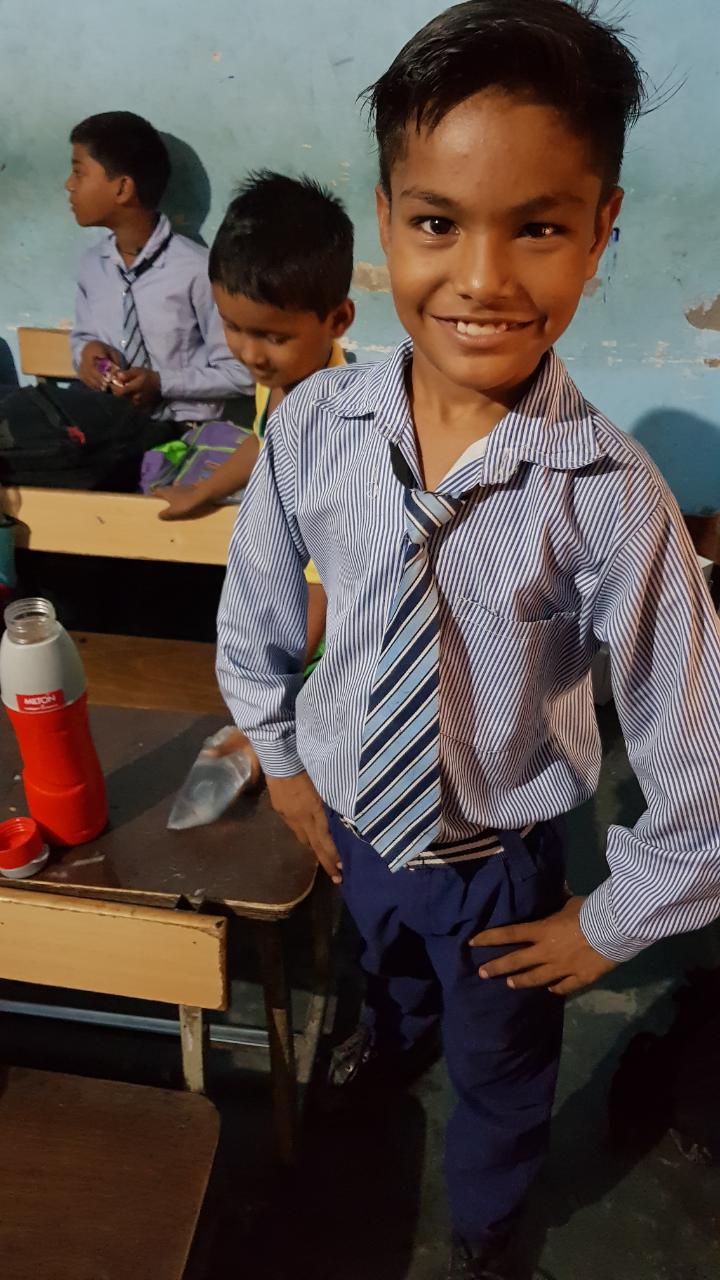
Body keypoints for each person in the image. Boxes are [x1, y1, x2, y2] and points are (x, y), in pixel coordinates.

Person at [216, 4, 720, 1277]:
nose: (484, 278)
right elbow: (258, 607)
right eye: (439, 223)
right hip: (347, 822)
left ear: (600, 230)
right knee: (381, 987)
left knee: (500, 1066)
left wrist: (611, 920)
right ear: (385, 222)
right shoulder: (314, 424)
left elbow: (702, 754)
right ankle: (383, 1060)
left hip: (499, 868)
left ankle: (488, 1226)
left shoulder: (613, 497)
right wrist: (282, 758)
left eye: (538, 227)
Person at [66, 110, 253, 422]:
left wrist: (162, 383)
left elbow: (241, 374)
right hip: (111, 426)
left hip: (183, 428)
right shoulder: (93, 266)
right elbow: (82, 338)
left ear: (122, 189)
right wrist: (86, 353)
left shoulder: (197, 270)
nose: (69, 185)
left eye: (78, 172)